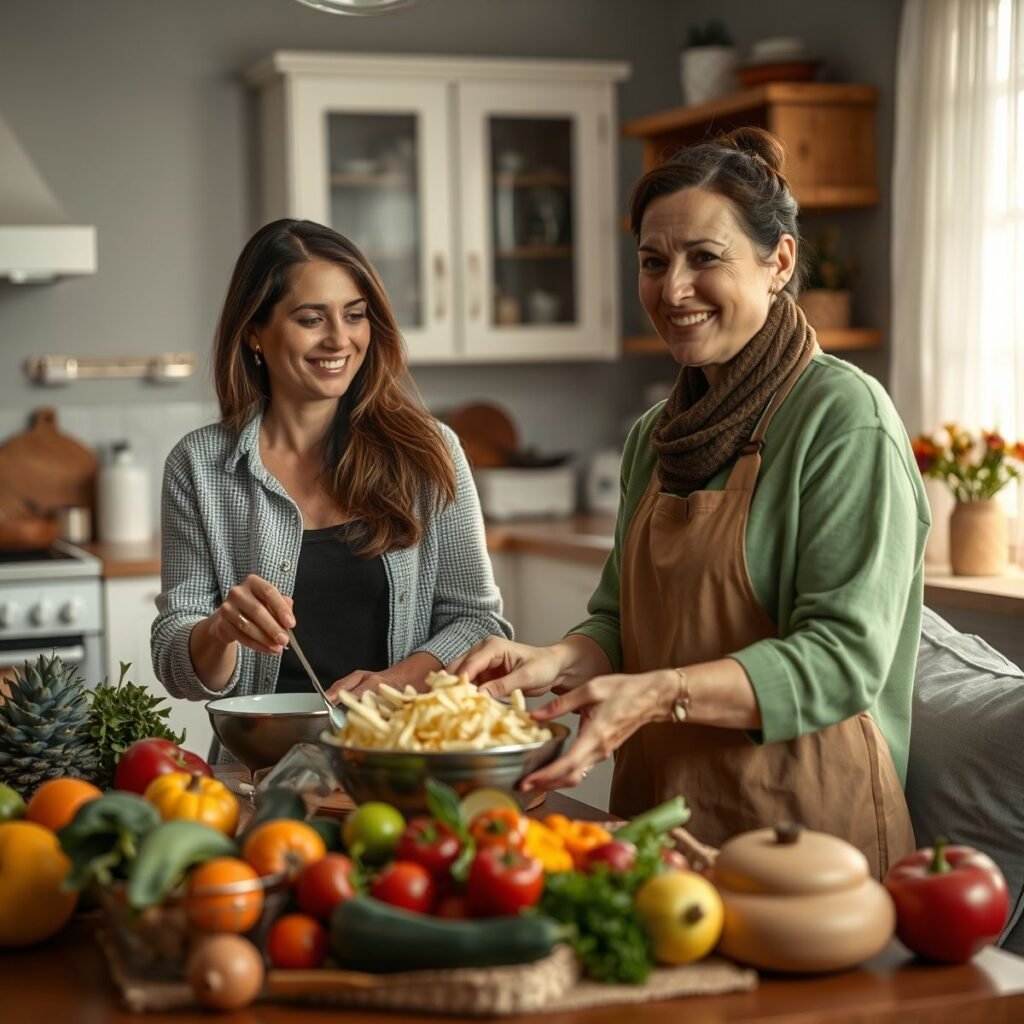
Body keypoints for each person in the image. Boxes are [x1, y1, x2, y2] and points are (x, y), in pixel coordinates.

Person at [452, 128, 930, 877]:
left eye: (705, 257)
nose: (673, 290)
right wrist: (557, 660)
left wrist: (659, 694)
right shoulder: (656, 435)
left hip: (808, 844)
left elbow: (842, 661)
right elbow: (620, 621)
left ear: (779, 262)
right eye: (653, 262)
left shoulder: (844, 419)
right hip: (658, 829)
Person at [152, 219, 510, 759]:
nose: (339, 339)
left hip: (402, 767)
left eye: (354, 315)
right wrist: (220, 630)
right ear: (254, 331)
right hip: (261, 773)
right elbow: (175, 662)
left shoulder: (428, 452)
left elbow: (478, 621)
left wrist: (394, 682)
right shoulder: (200, 466)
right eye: (311, 319)